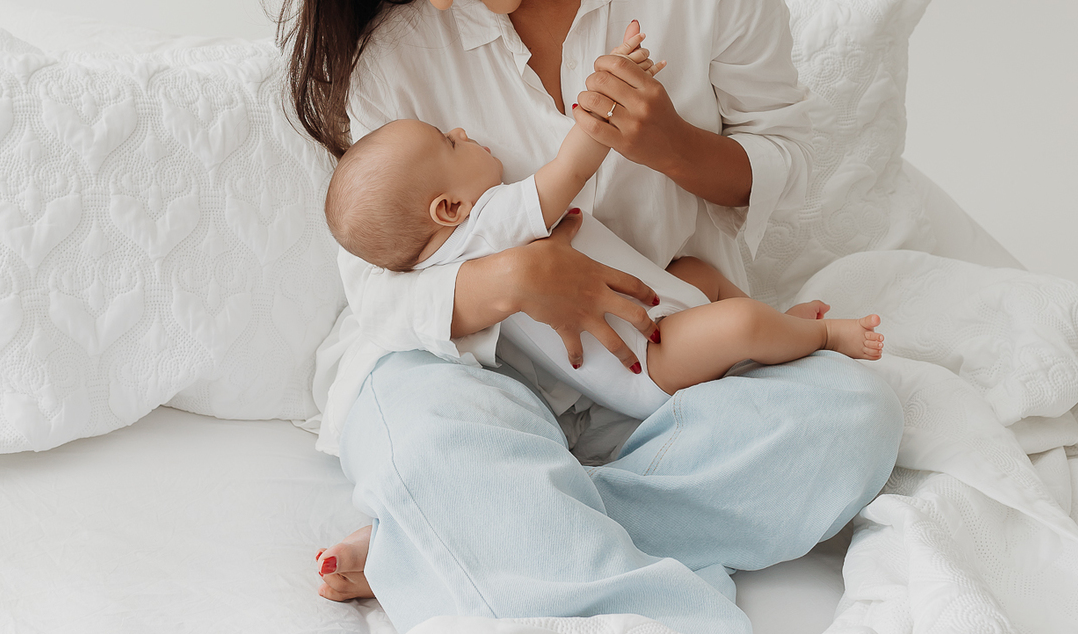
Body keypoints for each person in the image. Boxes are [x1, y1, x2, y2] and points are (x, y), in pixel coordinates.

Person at [273, 0, 903, 634]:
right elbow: (380, 289)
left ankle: (460, 527)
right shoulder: (398, 52)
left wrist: (667, 143)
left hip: (662, 366)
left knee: (854, 419)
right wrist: (516, 278)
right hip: (474, 374)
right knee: (418, 431)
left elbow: (789, 161)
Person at [320, 23, 885, 414]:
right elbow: (570, 169)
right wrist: (609, 93)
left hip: (656, 319)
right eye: (448, 142)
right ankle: (821, 336)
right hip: (652, 359)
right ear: (448, 208)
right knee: (739, 323)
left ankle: (776, 331)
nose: (462, 131)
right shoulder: (484, 226)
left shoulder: (442, 257)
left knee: (697, 273)